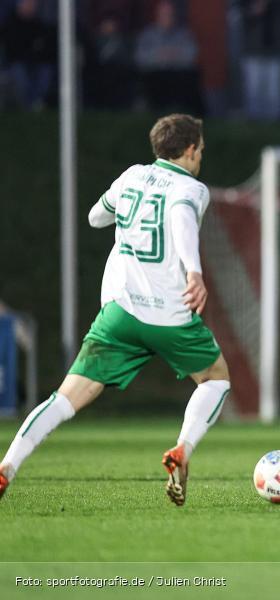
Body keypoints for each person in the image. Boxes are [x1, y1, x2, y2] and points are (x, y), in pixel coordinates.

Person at [0, 114, 231, 505]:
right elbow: (180, 220)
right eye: (201, 151)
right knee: (215, 379)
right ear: (190, 150)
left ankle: (7, 465)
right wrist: (194, 271)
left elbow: (95, 217)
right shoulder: (192, 189)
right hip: (170, 315)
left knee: (65, 398)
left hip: (120, 313)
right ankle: (183, 450)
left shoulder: (131, 177)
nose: (201, 157)